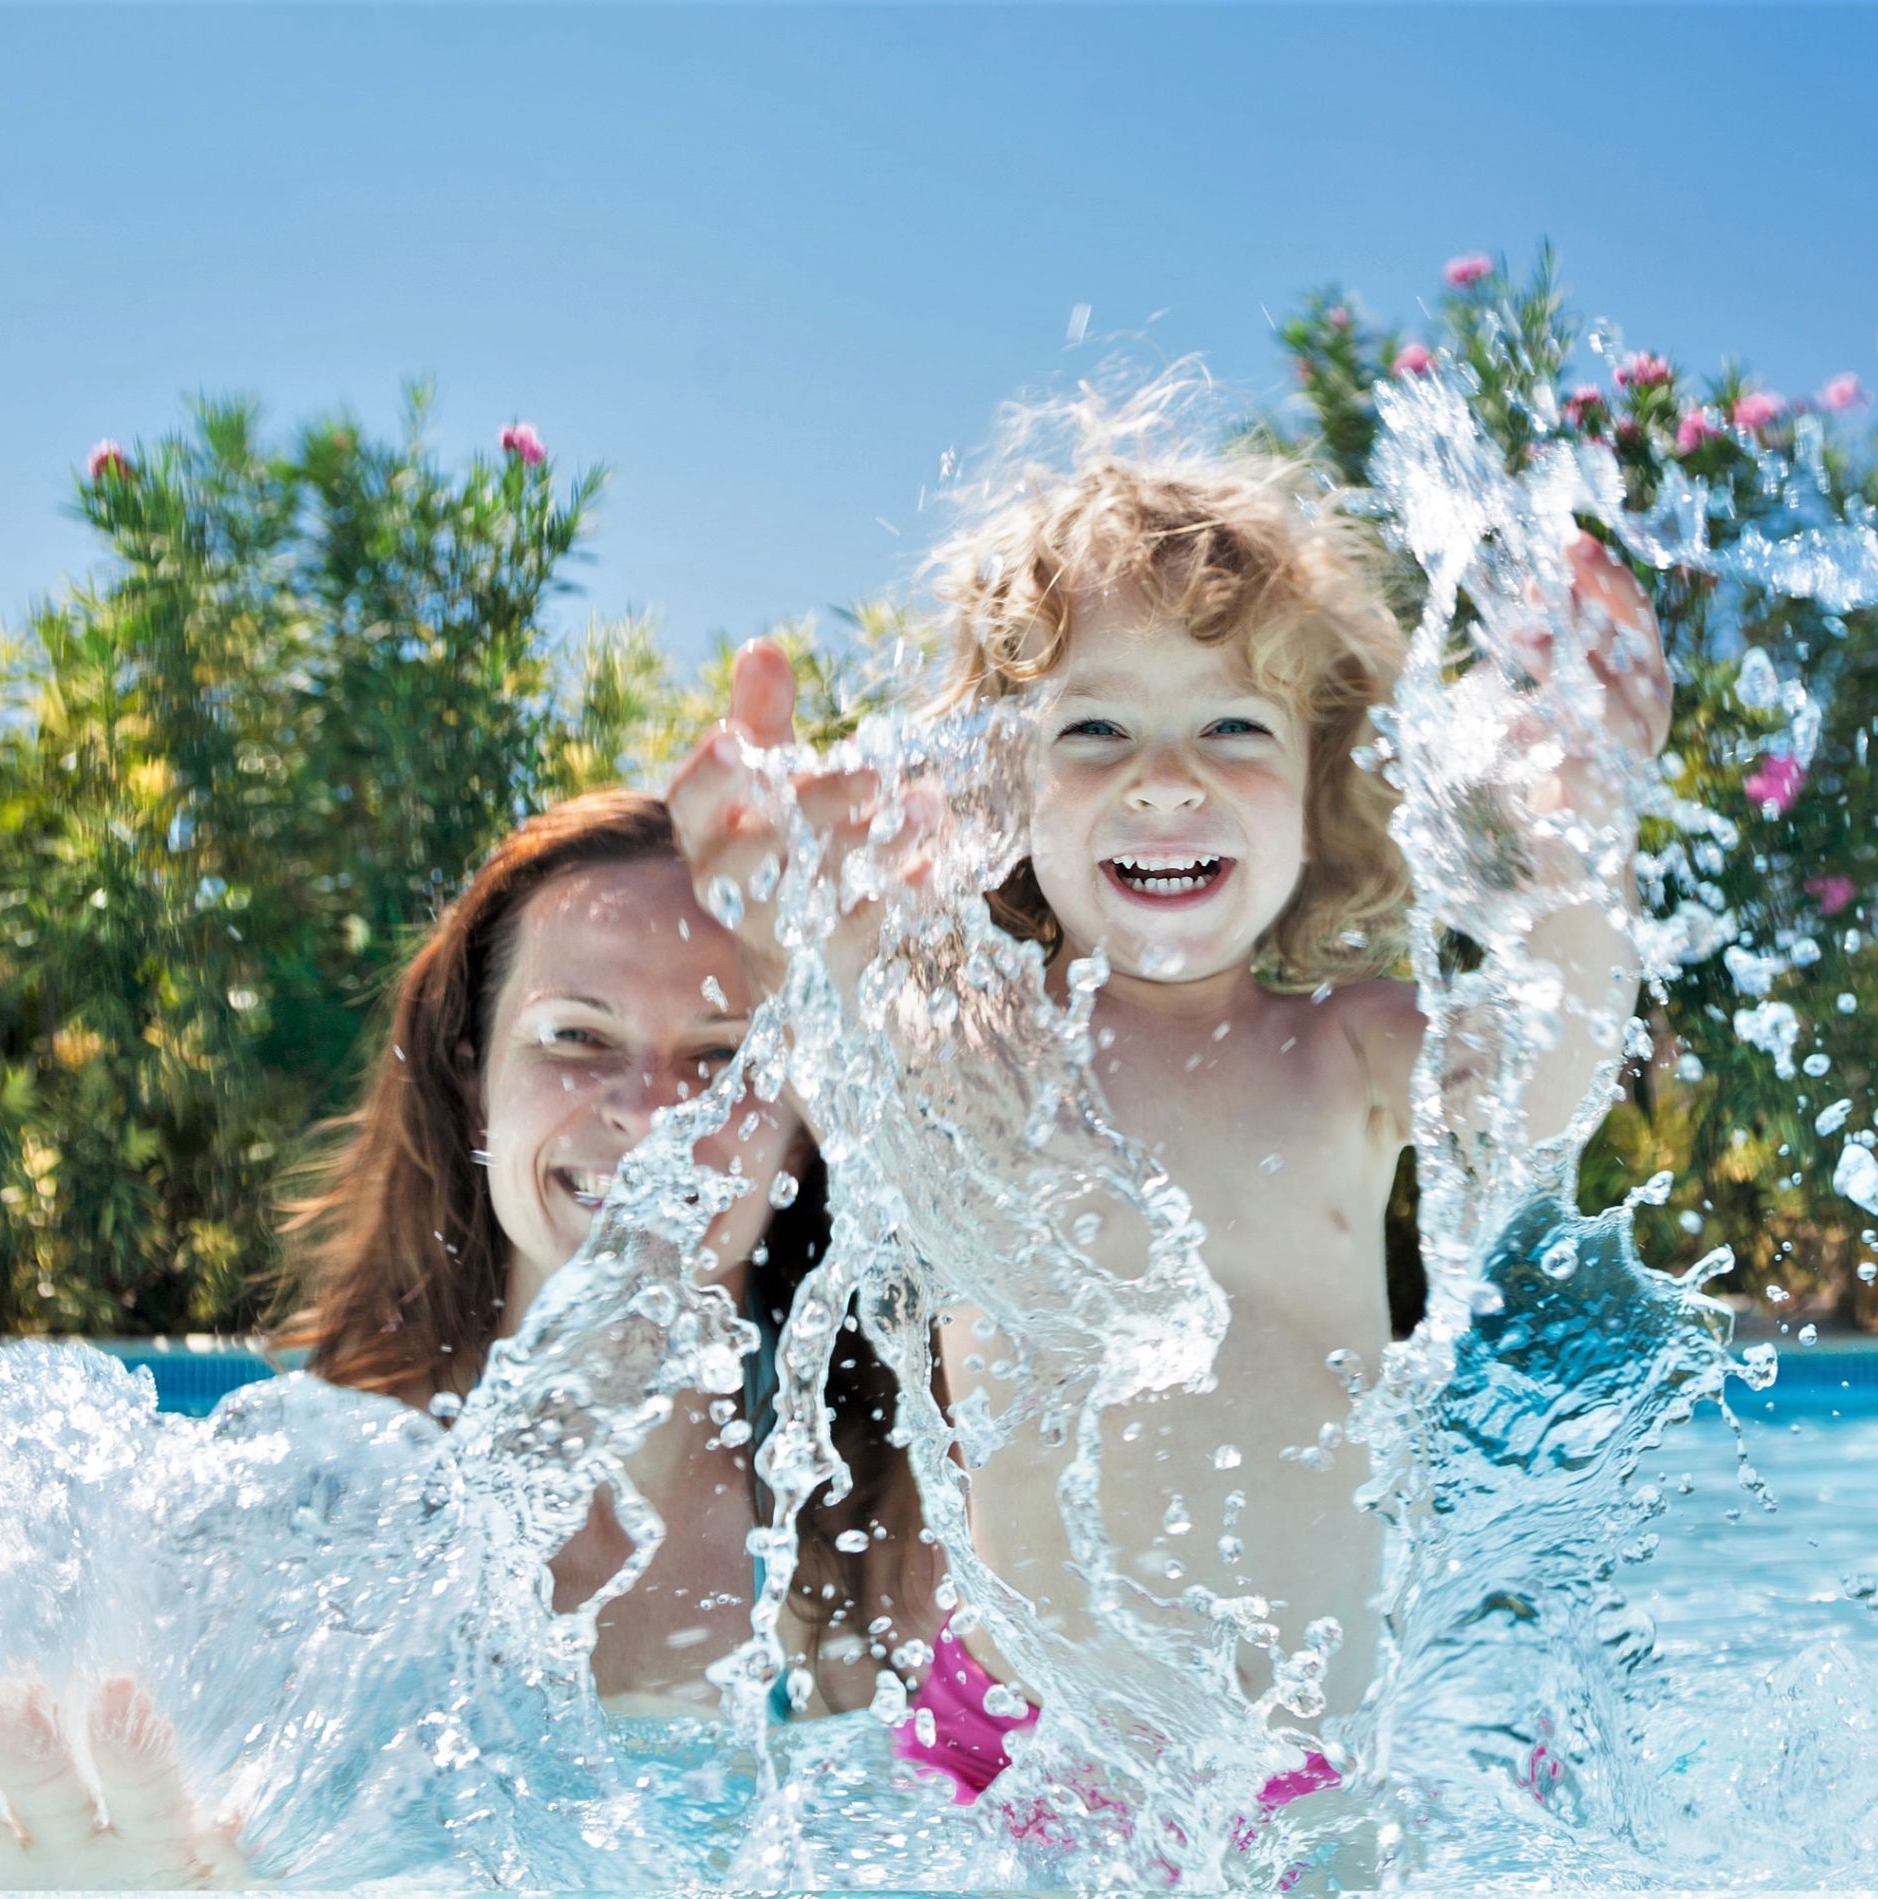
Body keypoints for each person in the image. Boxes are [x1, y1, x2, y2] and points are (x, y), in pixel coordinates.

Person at [668, 444, 1668, 1807]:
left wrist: (1578, 843)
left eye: (1233, 727)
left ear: (1321, 783)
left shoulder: (1350, 1048)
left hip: (1293, 1765)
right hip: (1013, 1736)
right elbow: (845, 1014)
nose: (1162, 778)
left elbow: (1542, 1088)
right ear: (999, 784)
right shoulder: (987, 1054)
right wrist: (787, 887)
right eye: (1094, 729)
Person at [0, 788, 928, 1887]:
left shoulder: (904, 1502)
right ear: (471, 1076)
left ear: (805, 1113)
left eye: (720, 1053)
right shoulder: (300, 1511)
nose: (647, 1111)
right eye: (577, 1037)